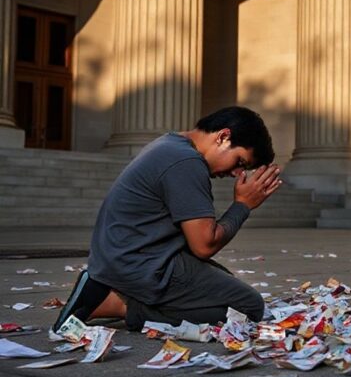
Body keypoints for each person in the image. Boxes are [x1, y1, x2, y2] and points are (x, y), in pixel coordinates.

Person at [53, 106, 281, 332]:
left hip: (124, 257)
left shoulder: (170, 144)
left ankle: (107, 294)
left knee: (224, 285)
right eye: (240, 162)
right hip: (141, 263)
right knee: (248, 308)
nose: (236, 173)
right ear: (223, 137)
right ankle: (116, 304)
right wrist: (243, 205)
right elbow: (204, 245)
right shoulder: (186, 162)